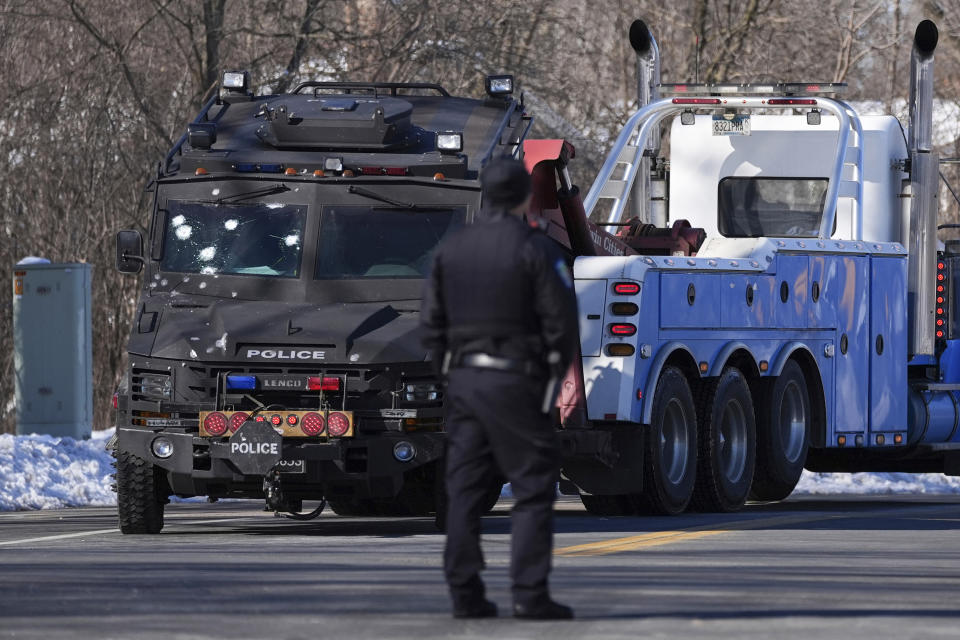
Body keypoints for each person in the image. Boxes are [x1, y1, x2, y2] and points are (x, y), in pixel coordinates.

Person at [420, 156, 579, 620]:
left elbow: (431, 325)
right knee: (532, 487)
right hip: (517, 379)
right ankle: (530, 594)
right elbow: (561, 322)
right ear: (526, 198)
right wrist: (551, 380)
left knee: (464, 489)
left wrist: (450, 375)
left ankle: (464, 593)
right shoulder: (536, 249)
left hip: (466, 381)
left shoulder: (451, 250)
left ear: (484, 197)